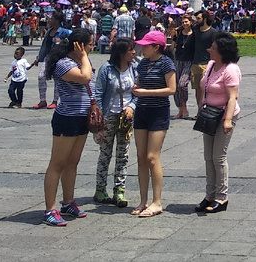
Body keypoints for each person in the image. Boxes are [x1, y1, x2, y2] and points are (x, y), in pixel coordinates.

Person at [42, 27, 94, 226]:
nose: (92, 47)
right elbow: (85, 77)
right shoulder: (63, 63)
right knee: (58, 163)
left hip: (82, 117)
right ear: (79, 45)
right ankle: (50, 208)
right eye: (90, 44)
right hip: (67, 117)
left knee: (73, 162)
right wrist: (84, 57)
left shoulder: (80, 62)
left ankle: (68, 202)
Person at [131, 29, 176, 217]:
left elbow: (171, 89)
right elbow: (140, 84)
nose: (142, 49)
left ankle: (157, 202)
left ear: (156, 47)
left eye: (146, 46)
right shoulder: (143, 64)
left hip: (158, 112)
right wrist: (136, 88)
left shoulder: (166, 63)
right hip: (142, 111)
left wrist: (146, 92)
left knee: (152, 157)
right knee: (141, 156)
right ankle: (143, 200)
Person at [195, 32, 241, 213]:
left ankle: (221, 197)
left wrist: (228, 120)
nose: (209, 50)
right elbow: (204, 88)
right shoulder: (211, 65)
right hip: (209, 115)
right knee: (208, 156)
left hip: (224, 116)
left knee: (218, 157)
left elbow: (232, 97)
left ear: (223, 52)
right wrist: (201, 109)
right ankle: (209, 195)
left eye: (213, 48)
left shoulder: (231, 70)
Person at [93, 37, 137, 207]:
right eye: (130, 50)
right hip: (109, 116)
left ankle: (119, 190)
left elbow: (138, 92)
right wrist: (100, 121)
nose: (134, 52)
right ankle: (100, 189)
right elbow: (98, 94)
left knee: (123, 155)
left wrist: (132, 106)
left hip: (126, 117)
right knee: (105, 153)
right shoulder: (107, 69)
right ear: (121, 53)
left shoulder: (134, 68)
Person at [173, 14, 194, 120]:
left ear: (191, 22)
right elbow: (173, 44)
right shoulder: (179, 33)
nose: (185, 24)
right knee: (175, 85)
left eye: (186, 22)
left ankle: (184, 106)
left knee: (182, 84)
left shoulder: (194, 34)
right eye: (183, 22)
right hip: (178, 60)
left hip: (189, 61)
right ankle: (180, 109)